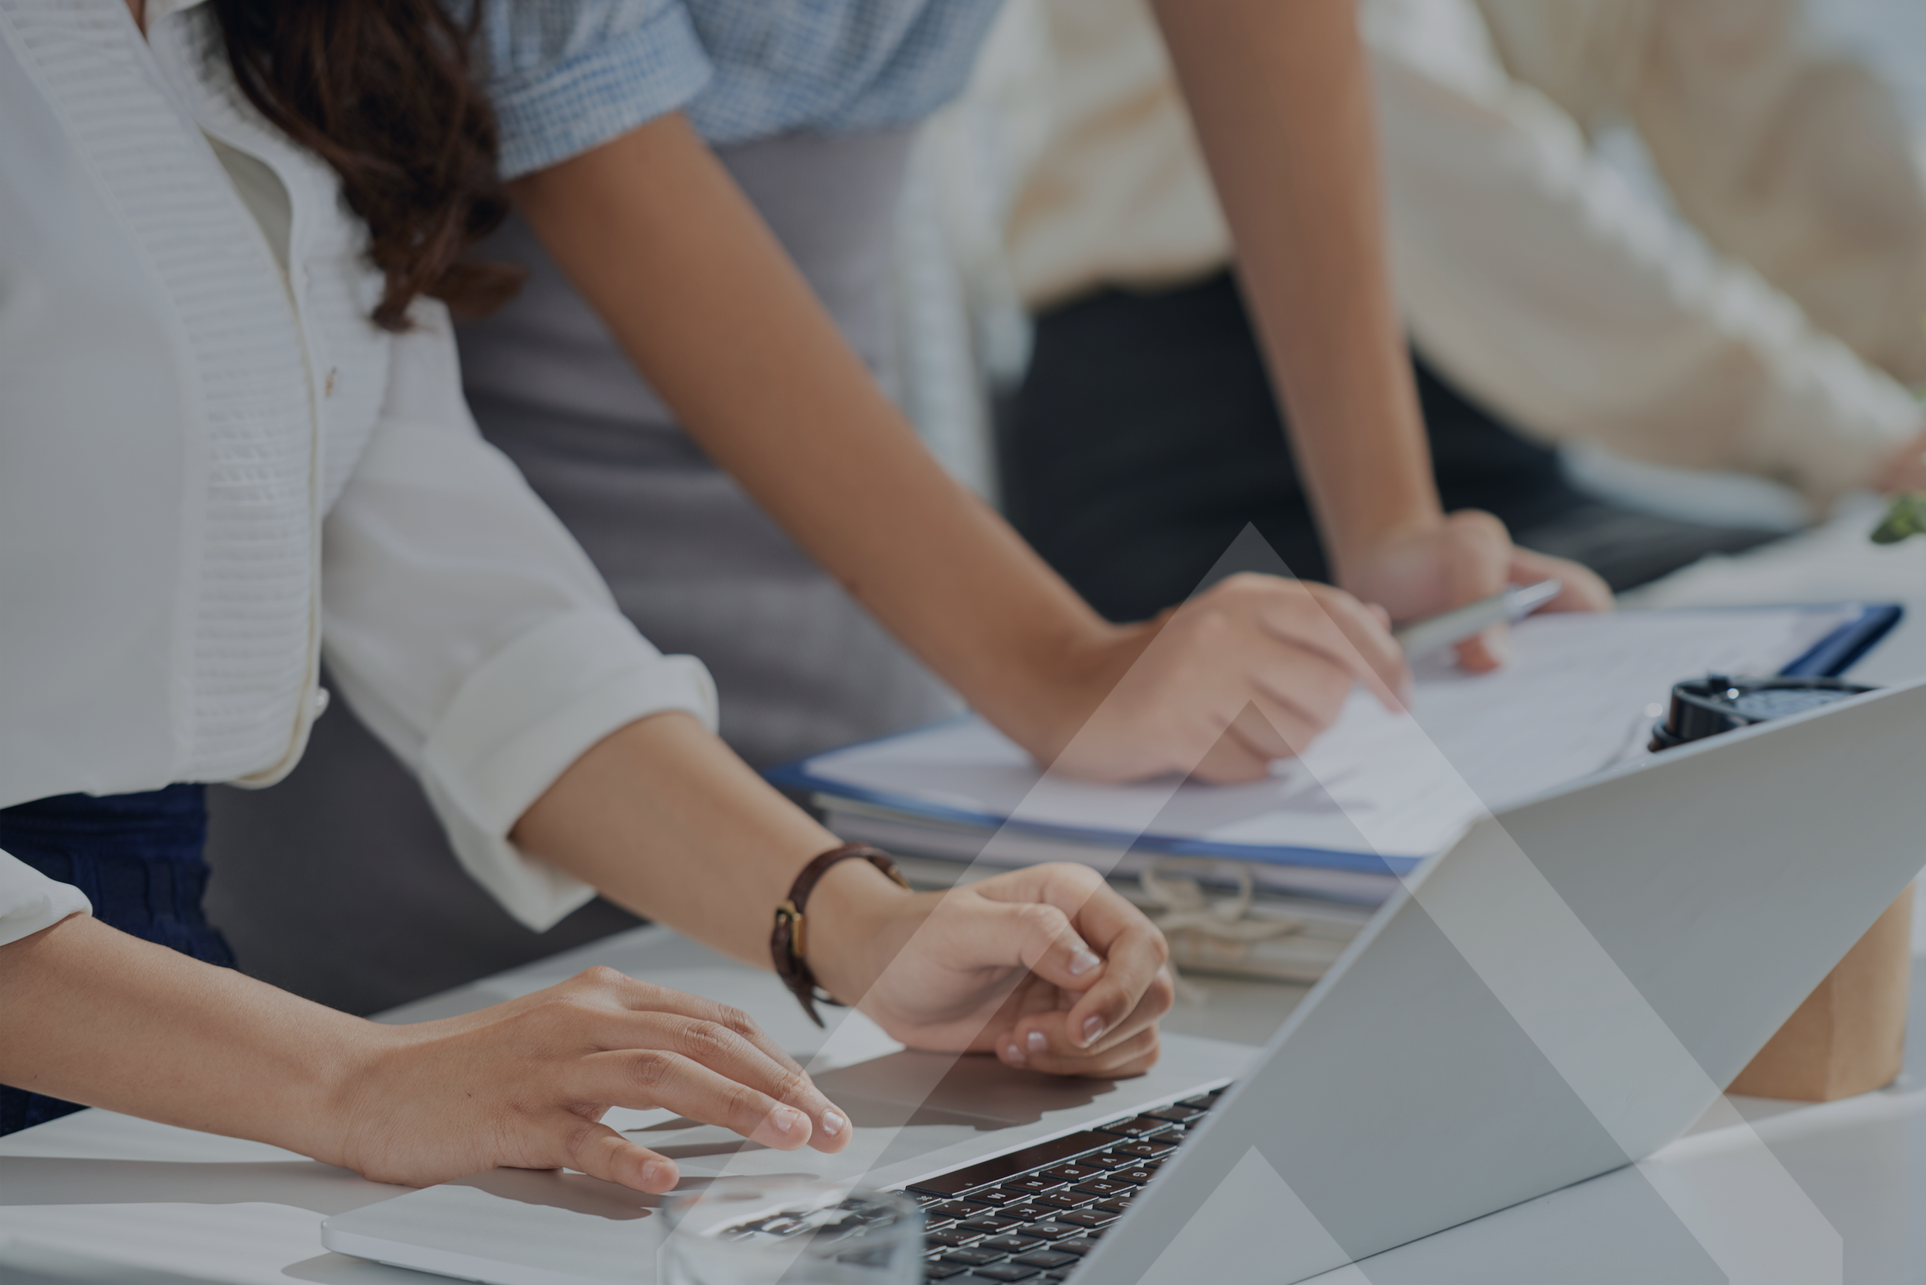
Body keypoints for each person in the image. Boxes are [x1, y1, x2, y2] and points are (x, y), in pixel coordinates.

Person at [206, 0, 1599, 1012]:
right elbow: (582, 125)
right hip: (467, 596)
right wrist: (1056, 664)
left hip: (867, 585)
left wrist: (1389, 523)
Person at [0, 0, 1170, 1189]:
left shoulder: (277, 36)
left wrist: (858, 926)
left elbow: (462, 599)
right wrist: (355, 1078)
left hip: (160, 1002)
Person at [995, 0, 1926, 623]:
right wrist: (1863, 439)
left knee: (1827, 633)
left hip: (1485, 438)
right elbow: (1433, 140)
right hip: (1193, 437)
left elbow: (1777, 102)